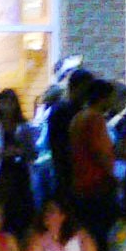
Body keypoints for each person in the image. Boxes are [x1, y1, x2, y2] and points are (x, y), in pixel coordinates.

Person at [0, 89, 37, 235]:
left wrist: (21, 152)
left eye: (11, 102)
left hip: (20, 175)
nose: (7, 106)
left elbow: (33, 153)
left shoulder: (25, 128)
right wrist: (0, 154)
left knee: (21, 215)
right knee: (0, 213)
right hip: (0, 176)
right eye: (4, 102)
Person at [70, 80, 120, 247]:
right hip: (97, 184)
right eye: (111, 97)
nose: (113, 102)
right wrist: (112, 176)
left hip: (80, 183)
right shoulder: (95, 119)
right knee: (102, 232)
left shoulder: (78, 118)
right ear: (103, 98)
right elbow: (99, 152)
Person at [47, 69, 94, 202]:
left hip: (72, 171)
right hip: (69, 172)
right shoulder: (64, 111)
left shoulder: (67, 110)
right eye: (85, 88)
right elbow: (59, 146)